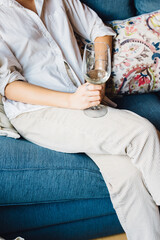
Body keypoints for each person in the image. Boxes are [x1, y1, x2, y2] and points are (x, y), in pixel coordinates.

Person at [0, 0, 160, 239]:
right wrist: (70, 101)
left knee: (127, 175)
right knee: (142, 133)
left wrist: (98, 76)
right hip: (37, 111)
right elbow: (8, 85)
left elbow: (99, 30)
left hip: (84, 101)